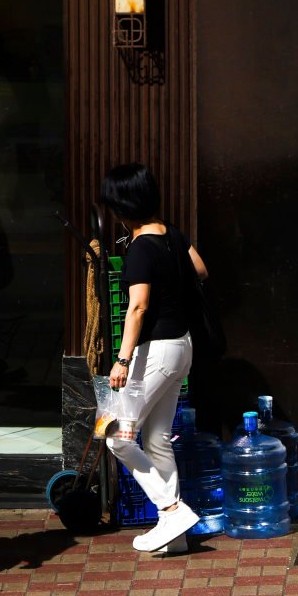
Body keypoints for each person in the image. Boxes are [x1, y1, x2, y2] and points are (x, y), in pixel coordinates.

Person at [99, 162, 208, 555]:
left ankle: (171, 509)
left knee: (117, 437)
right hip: (182, 347)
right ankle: (174, 535)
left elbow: (137, 308)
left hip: (154, 352)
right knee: (158, 438)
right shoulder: (172, 234)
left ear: (120, 207)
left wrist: (122, 360)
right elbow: (201, 269)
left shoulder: (141, 248)